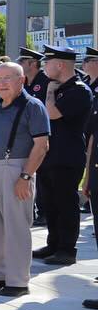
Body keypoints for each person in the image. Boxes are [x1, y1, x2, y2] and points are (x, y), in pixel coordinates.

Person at [0, 62, 50, 297]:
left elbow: (42, 146)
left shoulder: (33, 106)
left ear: (22, 81)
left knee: (17, 227)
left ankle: (18, 281)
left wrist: (25, 176)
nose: (1, 83)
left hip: (17, 169)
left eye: (7, 78)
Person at [35, 44, 91, 267]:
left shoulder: (79, 90)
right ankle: (54, 243)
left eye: (47, 62)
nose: (44, 67)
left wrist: (49, 91)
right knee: (50, 204)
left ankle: (67, 249)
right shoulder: (59, 87)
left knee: (66, 204)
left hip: (67, 157)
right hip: (49, 155)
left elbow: (52, 113)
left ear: (59, 64)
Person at [20, 46, 50, 226]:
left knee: (43, 176)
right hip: (25, 136)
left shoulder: (44, 81)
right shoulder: (23, 82)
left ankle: (44, 211)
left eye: (22, 61)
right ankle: (36, 209)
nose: (19, 64)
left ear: (32, 63)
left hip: (40, 136)